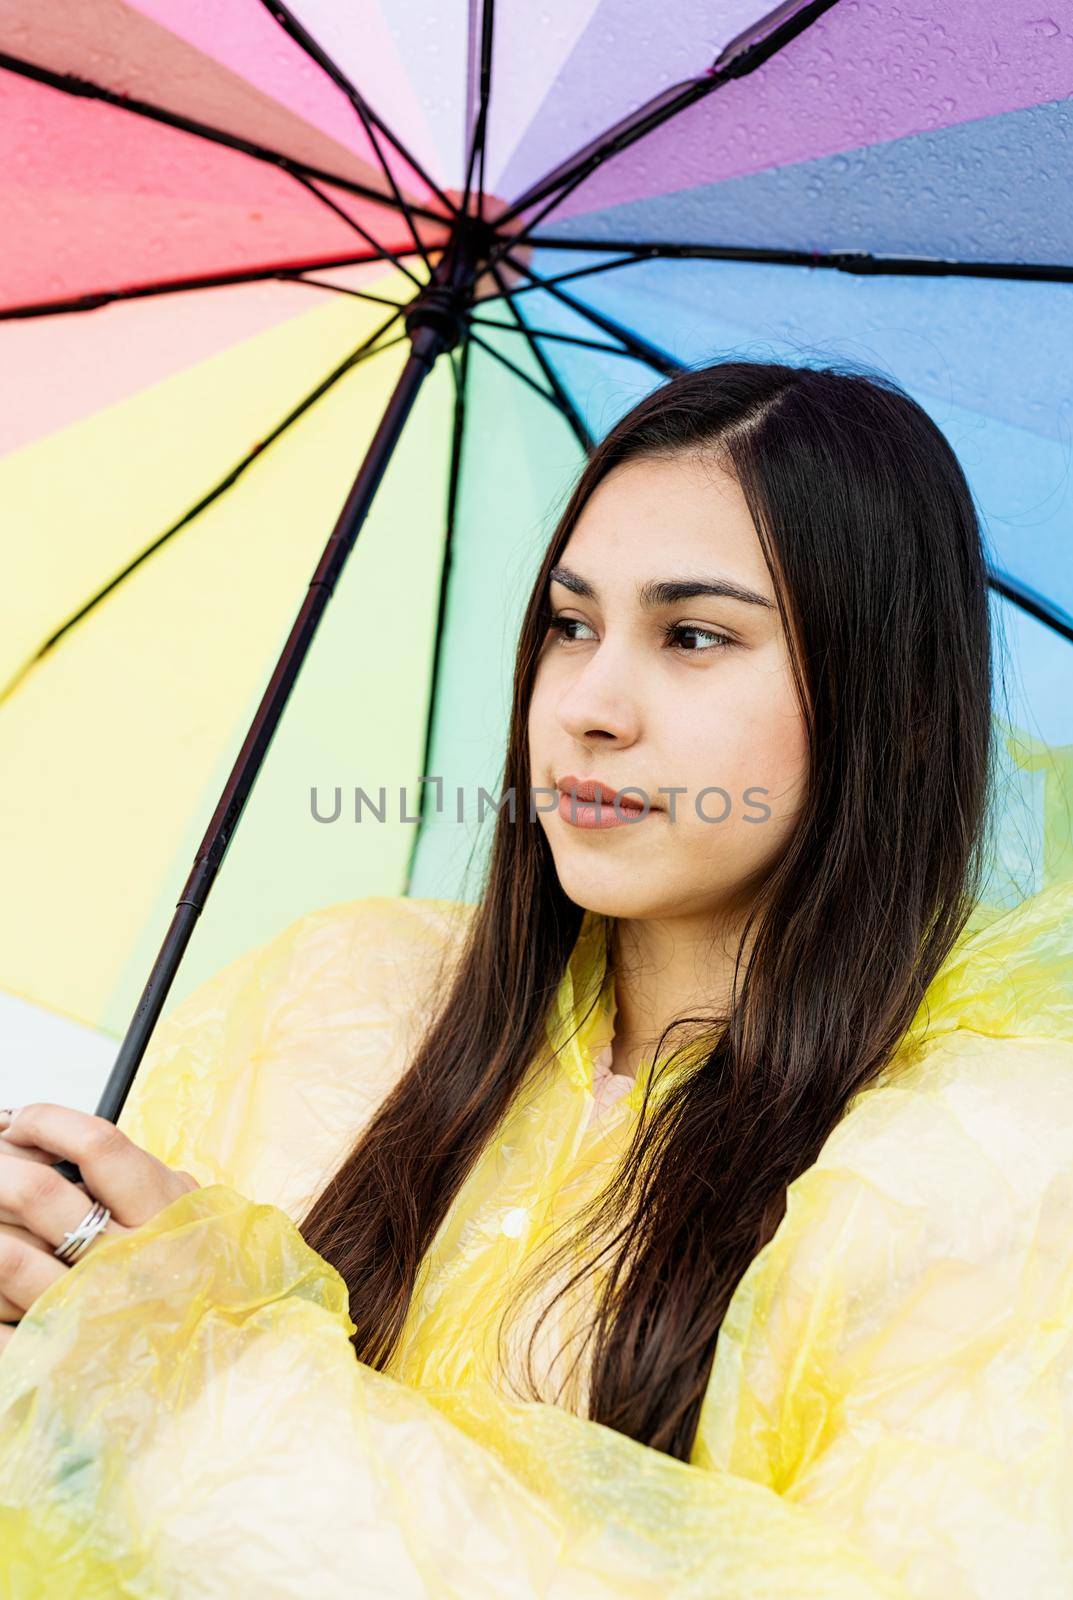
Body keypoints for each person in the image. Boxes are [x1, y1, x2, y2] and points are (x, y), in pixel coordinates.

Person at [0, 360, 1070, 1597]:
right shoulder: (336, 999)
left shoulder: (984, 1177)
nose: (587, 705)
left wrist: (209, 1375)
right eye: (570, 624)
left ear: (897, 713)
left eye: (692, 636)